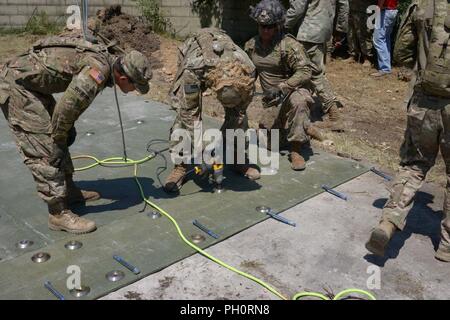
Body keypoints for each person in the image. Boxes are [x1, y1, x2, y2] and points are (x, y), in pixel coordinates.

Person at [0, 35, 152, 234]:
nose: (134, 91)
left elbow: (68, 111)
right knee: (46, 146)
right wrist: (59, 140)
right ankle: (58, 213)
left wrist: (65, 131)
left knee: (61, 133)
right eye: (135, 86)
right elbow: (66, 109)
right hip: (18, 86)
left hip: (33, 84)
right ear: (123, 78)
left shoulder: (107, 60)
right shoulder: (96, 73)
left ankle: (69, 190)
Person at [365, 0, 450, 263]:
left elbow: (401, 52)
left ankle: (388, 222)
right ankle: (447, 245)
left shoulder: (421, 5)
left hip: (423, 102)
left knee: (413, 165)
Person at [164, 28, 260, 193]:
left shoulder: (248, 72)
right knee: (184, 116)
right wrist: (201, 149)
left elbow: (239, 114)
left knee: (237, 117)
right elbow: (189, 113)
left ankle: (236, 158)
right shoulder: (193, 70)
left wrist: (220, 149)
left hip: (228, 61)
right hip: (194, 53)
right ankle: (180, 165)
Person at [246, 0, 321, 171]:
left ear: (277, 26)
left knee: (300, 102)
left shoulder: (288, 45)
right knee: (270, 146)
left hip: (292, 92)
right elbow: (250, 72)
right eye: (262, 26)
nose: (265, 30)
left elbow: (305, 71)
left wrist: (283, 86)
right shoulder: (251, 45)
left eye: (270, 26)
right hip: (272, 100)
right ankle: (304, 127)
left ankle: (296, 149)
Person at [284, 0, 348, 121]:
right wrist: (340, 28)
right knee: (311, 71)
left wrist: (282, 24)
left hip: (309, 31)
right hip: (324, 30)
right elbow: (344, 5)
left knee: (312, 72)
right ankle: (302, 108)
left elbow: (298, 7)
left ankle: (331, 108)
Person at [371, 0, 399, 77]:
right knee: (385, 39)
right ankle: (386, 66)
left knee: (378, 39)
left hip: (385, 11)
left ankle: (385, 68)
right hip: (392, 10)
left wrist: (379, 7)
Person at [347, 0, 377, 66]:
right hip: (352, 8)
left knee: (364, 34)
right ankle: (352, 55)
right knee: (351, 34)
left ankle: (367, 58)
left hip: (364, 10)